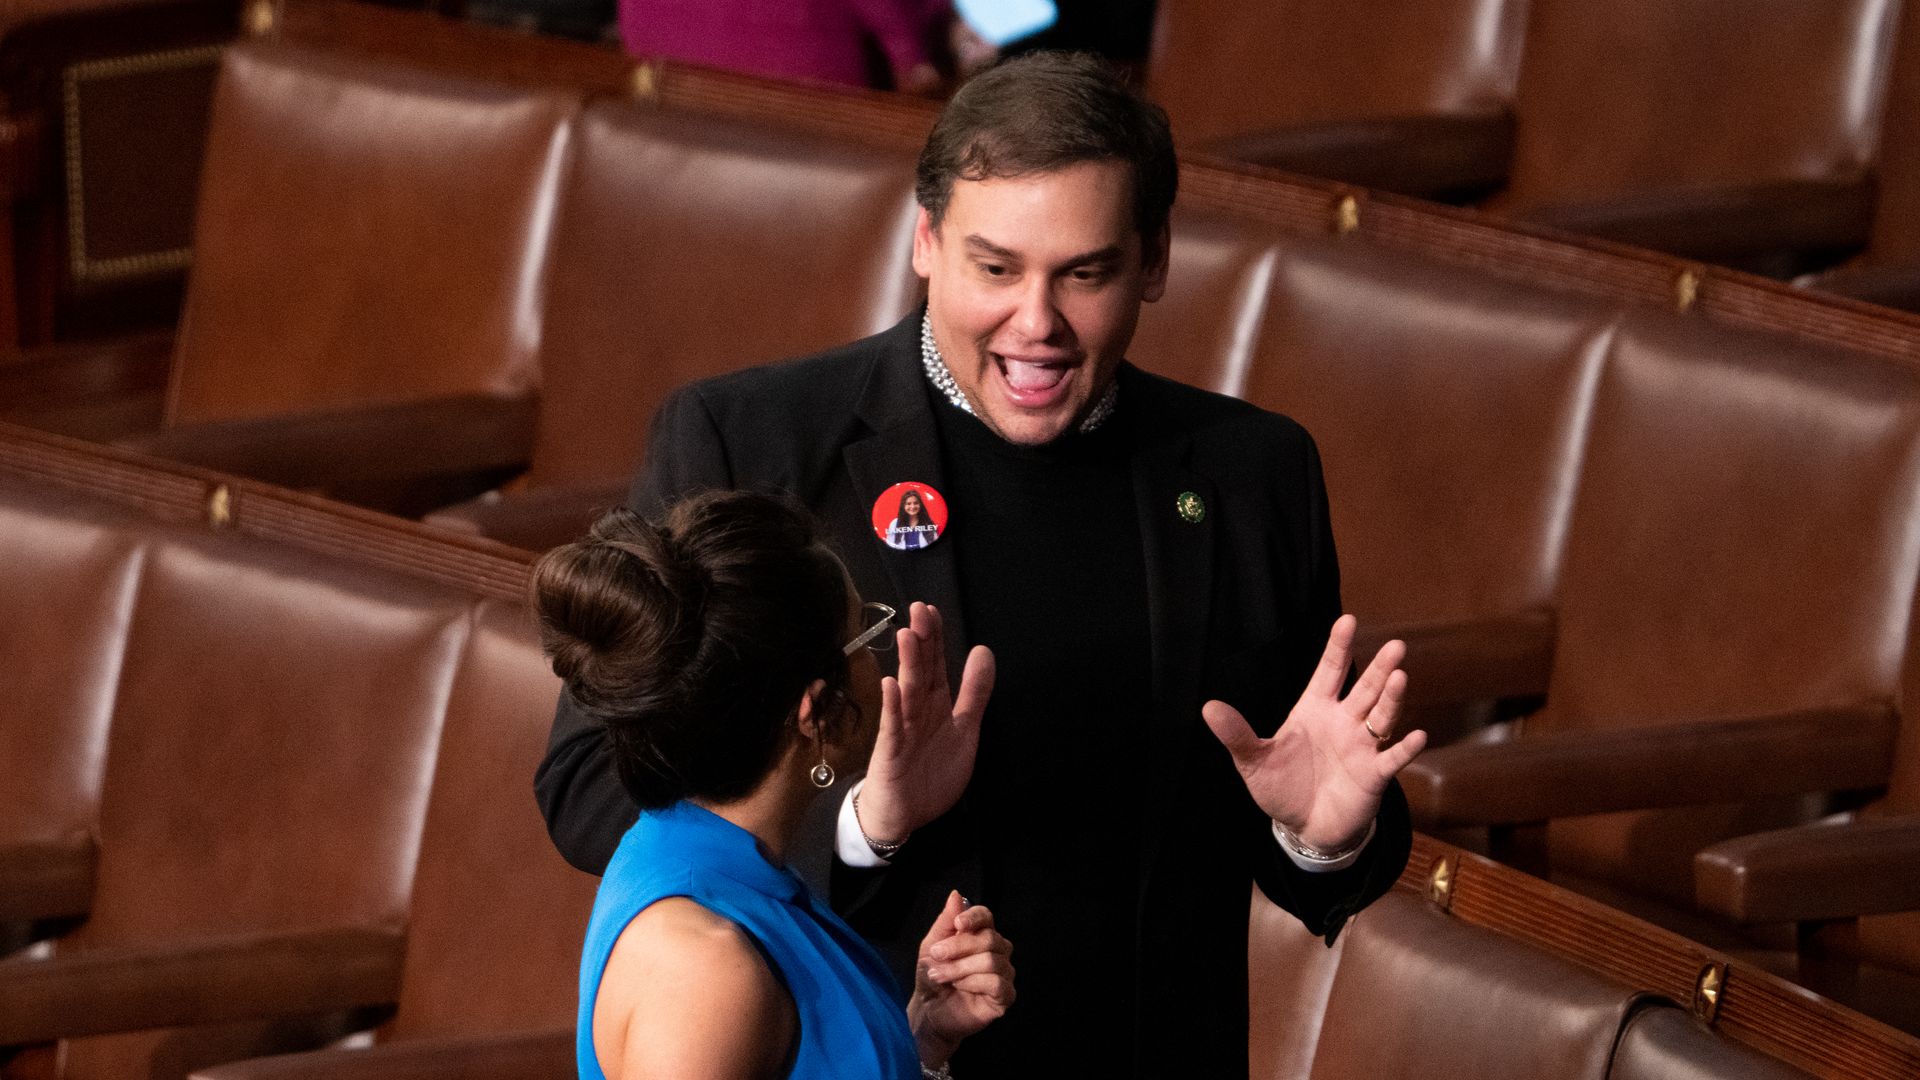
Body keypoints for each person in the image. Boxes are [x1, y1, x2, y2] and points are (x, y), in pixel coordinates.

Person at [537, 52, 1427, 1077]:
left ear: (1154, 261)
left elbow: (1324, 819)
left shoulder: (1250, 475)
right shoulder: (754, 445)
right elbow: (591, 790)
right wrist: (863, 821)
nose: (1035, 324)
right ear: (925, 242)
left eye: (1084, 273)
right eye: (995, 269)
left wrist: (1324, 842)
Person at [532, 494, 1013, 1079]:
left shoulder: (718, 859)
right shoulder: (704, 972)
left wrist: (921, 1038)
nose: (880, 667)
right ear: (814, 711)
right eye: (864, 636)